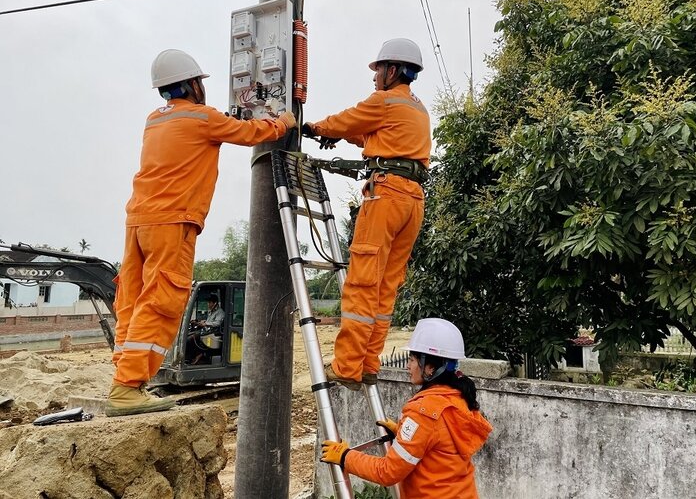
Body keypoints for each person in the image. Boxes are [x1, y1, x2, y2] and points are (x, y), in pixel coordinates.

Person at [106, 49, 296, 417]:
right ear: (193, 85)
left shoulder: (154, 120)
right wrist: (284, 121)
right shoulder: (202, 117)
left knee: (132, 298)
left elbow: (197, 134)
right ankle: (128, 388)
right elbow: (250, 131)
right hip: (172, 221)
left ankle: (123, 377)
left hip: (138, 220)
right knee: (162, 298)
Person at [302, 38, 431, 390]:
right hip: (413, 200)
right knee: (387, 286)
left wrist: (316, 129)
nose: (374, 78)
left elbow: (349, 119)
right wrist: (345, 138)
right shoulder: (416, 109)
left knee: (362, 280)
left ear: (392, 70)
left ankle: (346, 366)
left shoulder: (384, 101)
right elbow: (371, 134)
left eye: (378, 71)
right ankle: (368, 364)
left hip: (386, 195)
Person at [320, 318, 493, 498]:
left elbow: (387, 472)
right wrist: (402, 433)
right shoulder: (457, 397)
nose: (407, 366)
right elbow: (438, 445)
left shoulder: (424, 411)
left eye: (411, 359)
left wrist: (345, 456)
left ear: (430, 368)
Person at [185, 293, 225, 365]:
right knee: (187, 335)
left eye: (209, 302)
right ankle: (190, 357)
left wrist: (206, 324)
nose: (208, 304)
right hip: (206, 331)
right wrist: (200, 322)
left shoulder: (220, 312)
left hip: (212, 333)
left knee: (190, 339)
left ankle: (189, 358)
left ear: (215, 303)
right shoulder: (212, 312)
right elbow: (210, 321)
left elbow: (217, 323)